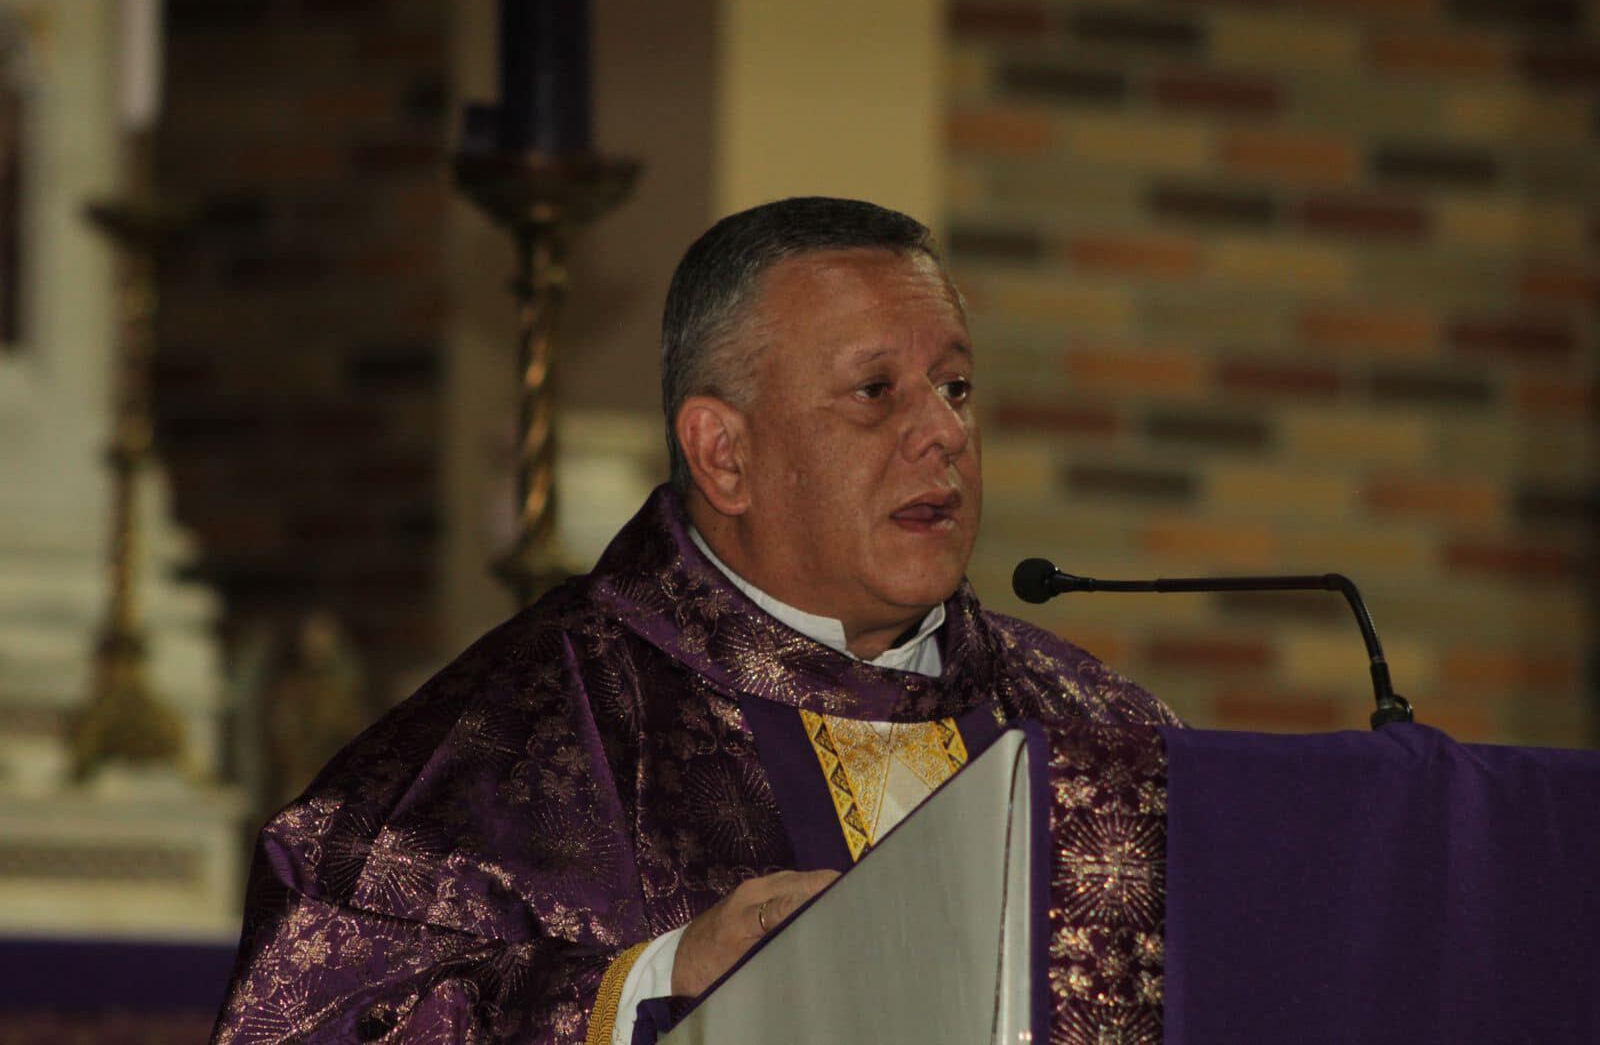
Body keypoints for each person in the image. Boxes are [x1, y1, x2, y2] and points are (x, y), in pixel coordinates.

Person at [211, 197, 1178, 1044]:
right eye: (876, 391)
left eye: (956, 387)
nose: (944, 434)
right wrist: (651, 985)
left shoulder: (1101, 729)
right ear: (723, 455)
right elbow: (313, 1016)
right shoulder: (511, 735)